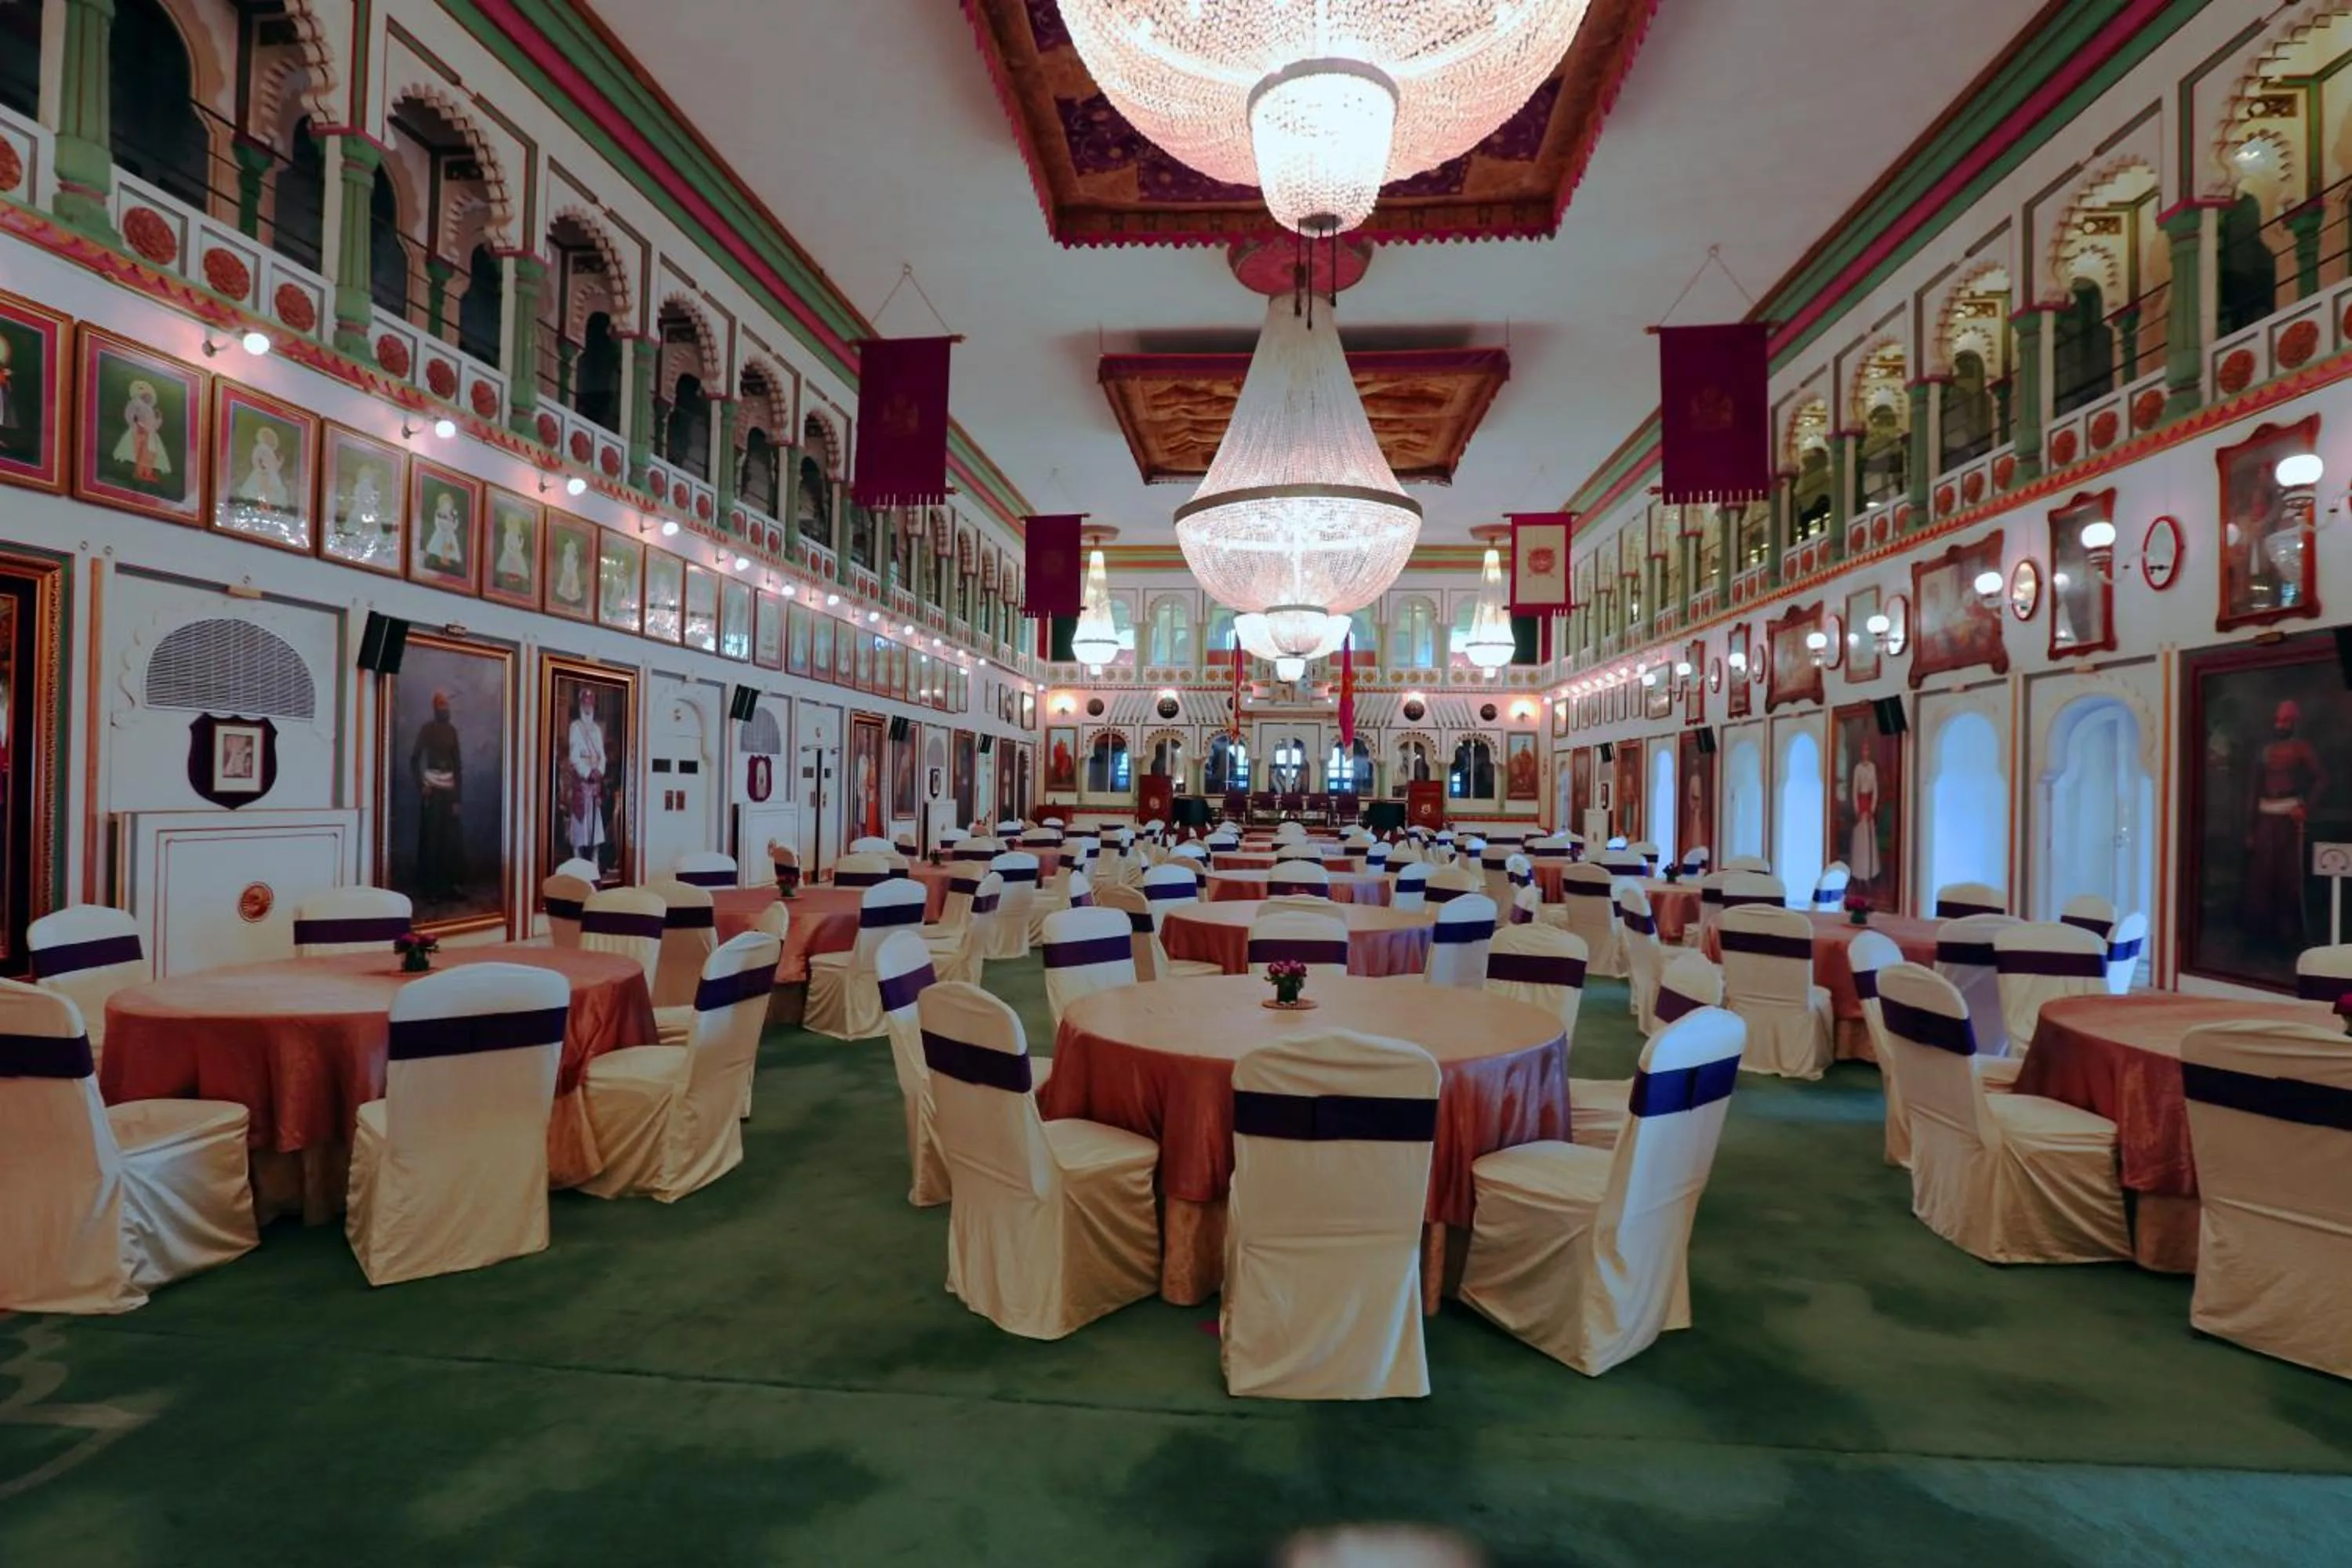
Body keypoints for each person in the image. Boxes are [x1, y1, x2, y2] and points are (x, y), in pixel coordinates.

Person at [2242, 699, 2326, 949]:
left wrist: (2305, 808)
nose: (2281, 725)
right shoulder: (2265, 751)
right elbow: (2253, 789)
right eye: (2279, 720)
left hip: (2289, 818)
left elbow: (2322, 779)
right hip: (2265, 817)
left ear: (2294, 723)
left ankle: (2286, 933)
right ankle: (2259, 933)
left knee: (2288, 876)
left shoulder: (2302, 748)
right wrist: (2249, 828)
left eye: (2286, 721)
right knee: (2261, 876)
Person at [411, 689, 465, 901]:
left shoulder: (452, 731)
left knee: (451, 840)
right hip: (432, 790)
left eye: (447, 704)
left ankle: (451, 885)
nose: (445, 708)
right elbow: (414, 760)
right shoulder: (426, 730)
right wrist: (421, 785)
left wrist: (457, 798)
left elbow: (458, 766)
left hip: (449, 790)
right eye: (441, 704)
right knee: (432, 838)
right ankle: (431, 888)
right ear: (435, 707)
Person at [565, 684, 608, 873]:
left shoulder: (597, 730)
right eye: (585, 702)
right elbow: (574, 756)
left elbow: (602, 755)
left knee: (595, 823)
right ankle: (577, 856)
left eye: (591, 702)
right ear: (581, 704)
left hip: (595, 784)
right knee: (580, 822)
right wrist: (587, 772)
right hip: (582, 783)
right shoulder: (575, 727)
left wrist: (599, 770)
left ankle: (594, 858)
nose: (588, 706)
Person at [114, 379, 169, 485]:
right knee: (140, 453)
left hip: (150, 435)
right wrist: (137, 425)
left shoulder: (150, 410)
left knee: (151, 454)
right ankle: (139, 473)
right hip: (140, 432)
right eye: (146, 395)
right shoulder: (136, 403)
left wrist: (159, 418)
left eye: (150, 396)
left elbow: (154, 426)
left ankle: (148, 473)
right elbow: (129, 415)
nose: (148, 397)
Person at [1848, 745, 1882, 886]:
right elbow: (1855, 790)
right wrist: (1858, 809)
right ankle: (1858, 875)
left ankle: (1869, 875)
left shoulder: (1872, 767)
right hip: (1861, 805)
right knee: (1860, 842)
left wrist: (1872, 809)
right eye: (1863, 751)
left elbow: (1875, 789)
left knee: (1869, 842)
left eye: (1867, 751)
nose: (1865, 753)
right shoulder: (1858, 769)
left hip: (1869, 805)